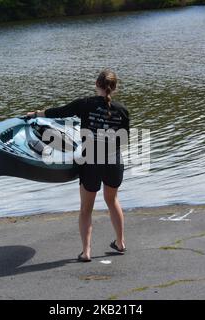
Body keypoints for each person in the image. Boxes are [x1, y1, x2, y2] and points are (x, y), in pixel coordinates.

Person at [26, 69, 130, 262]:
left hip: (90, 161)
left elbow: (59, 112)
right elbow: (123, 142)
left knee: (86, 209)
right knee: (112, 200)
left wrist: (36, 114)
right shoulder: (123, 110)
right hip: (114, 161)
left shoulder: (85, 104)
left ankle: (86, 252)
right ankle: (120, 243)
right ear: (114, 88)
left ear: (96, 84)